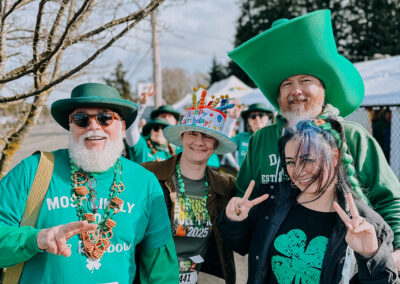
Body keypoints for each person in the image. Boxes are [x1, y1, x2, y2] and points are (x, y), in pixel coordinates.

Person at [228, 10, 400, 265]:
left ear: (323, 89)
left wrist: (396, 251)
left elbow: (389, 200)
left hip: (342, 269)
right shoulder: (261, 141)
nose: (295, 90)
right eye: (286, 84)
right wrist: (236, 220)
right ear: (277, 97)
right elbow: (244, 198)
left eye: (305, 80)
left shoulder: (353, 137)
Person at [0, 83, 178, 283]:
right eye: (81, 119)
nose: (94, 126)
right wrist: (35, 239)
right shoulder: (33, 170)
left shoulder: (144, 183)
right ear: (71, 126)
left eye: (105, 118)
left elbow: (161, 271)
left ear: (122, 127)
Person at [218, 117, 399, 283]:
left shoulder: (366, 225)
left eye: (308, 160)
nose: (298, 171)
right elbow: (242, 245)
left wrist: (371, 256)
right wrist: (234, 221)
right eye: (290, 162)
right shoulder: (273, 201)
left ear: (334, 157)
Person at [142, 91, 237, 284]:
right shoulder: (149, 176)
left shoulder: (225, 186)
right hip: (155, 279)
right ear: (182, 137)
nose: (199, 142)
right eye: (193, 133)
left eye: (207, 136)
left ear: (215, 144)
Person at [224, 103, 274, 168]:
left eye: (261, 115)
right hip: (245, 177)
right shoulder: (241, 137)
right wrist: (231, 119)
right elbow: (225, 144)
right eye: (253, 116)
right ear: (248, 121)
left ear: (267, 118)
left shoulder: (275, 138)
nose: (257, 119)